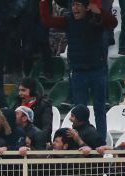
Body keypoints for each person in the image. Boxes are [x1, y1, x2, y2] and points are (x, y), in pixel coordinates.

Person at [39, 0, 117, 140]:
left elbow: (113, 23)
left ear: (87, 7)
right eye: (73, 5)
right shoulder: (68, 20)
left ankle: (101, 141)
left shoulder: (96, 19)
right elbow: (48, 21)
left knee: (100, 109)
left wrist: (99, 12)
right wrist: (44, 3)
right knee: (79, 111)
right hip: (78, 71)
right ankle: (80, 140)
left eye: (78, 5)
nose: (74, 8)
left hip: (97, 70)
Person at [13, 77, 54, 143]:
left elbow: (47, 128)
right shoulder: (17, 104)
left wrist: (33, 139)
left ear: (31, 91)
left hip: (37, 142)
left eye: (23, 90)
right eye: (19, 90)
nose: (20, 93)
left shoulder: (44, 106)